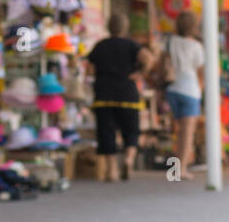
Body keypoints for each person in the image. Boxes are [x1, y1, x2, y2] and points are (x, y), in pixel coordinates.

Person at [86, 13, 153, 182]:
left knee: (106, 132)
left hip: (104, 93)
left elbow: (89, 70)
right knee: (131, 130)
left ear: (109, 27)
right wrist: (139, 74)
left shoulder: (100, 46)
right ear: (125, 27)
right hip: (127, 93)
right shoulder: (132, 45)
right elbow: (149, 59)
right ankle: (129, 159)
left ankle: (112, 171)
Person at [164, 10, 205, 181]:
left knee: (179, 131)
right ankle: (181, 169)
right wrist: (201, 91)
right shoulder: (197, 46)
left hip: (172, 88)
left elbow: (163, 61)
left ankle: (175, 169)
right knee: (188, 133)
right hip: (190, 90)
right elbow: (201, 71)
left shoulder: (170, 42)